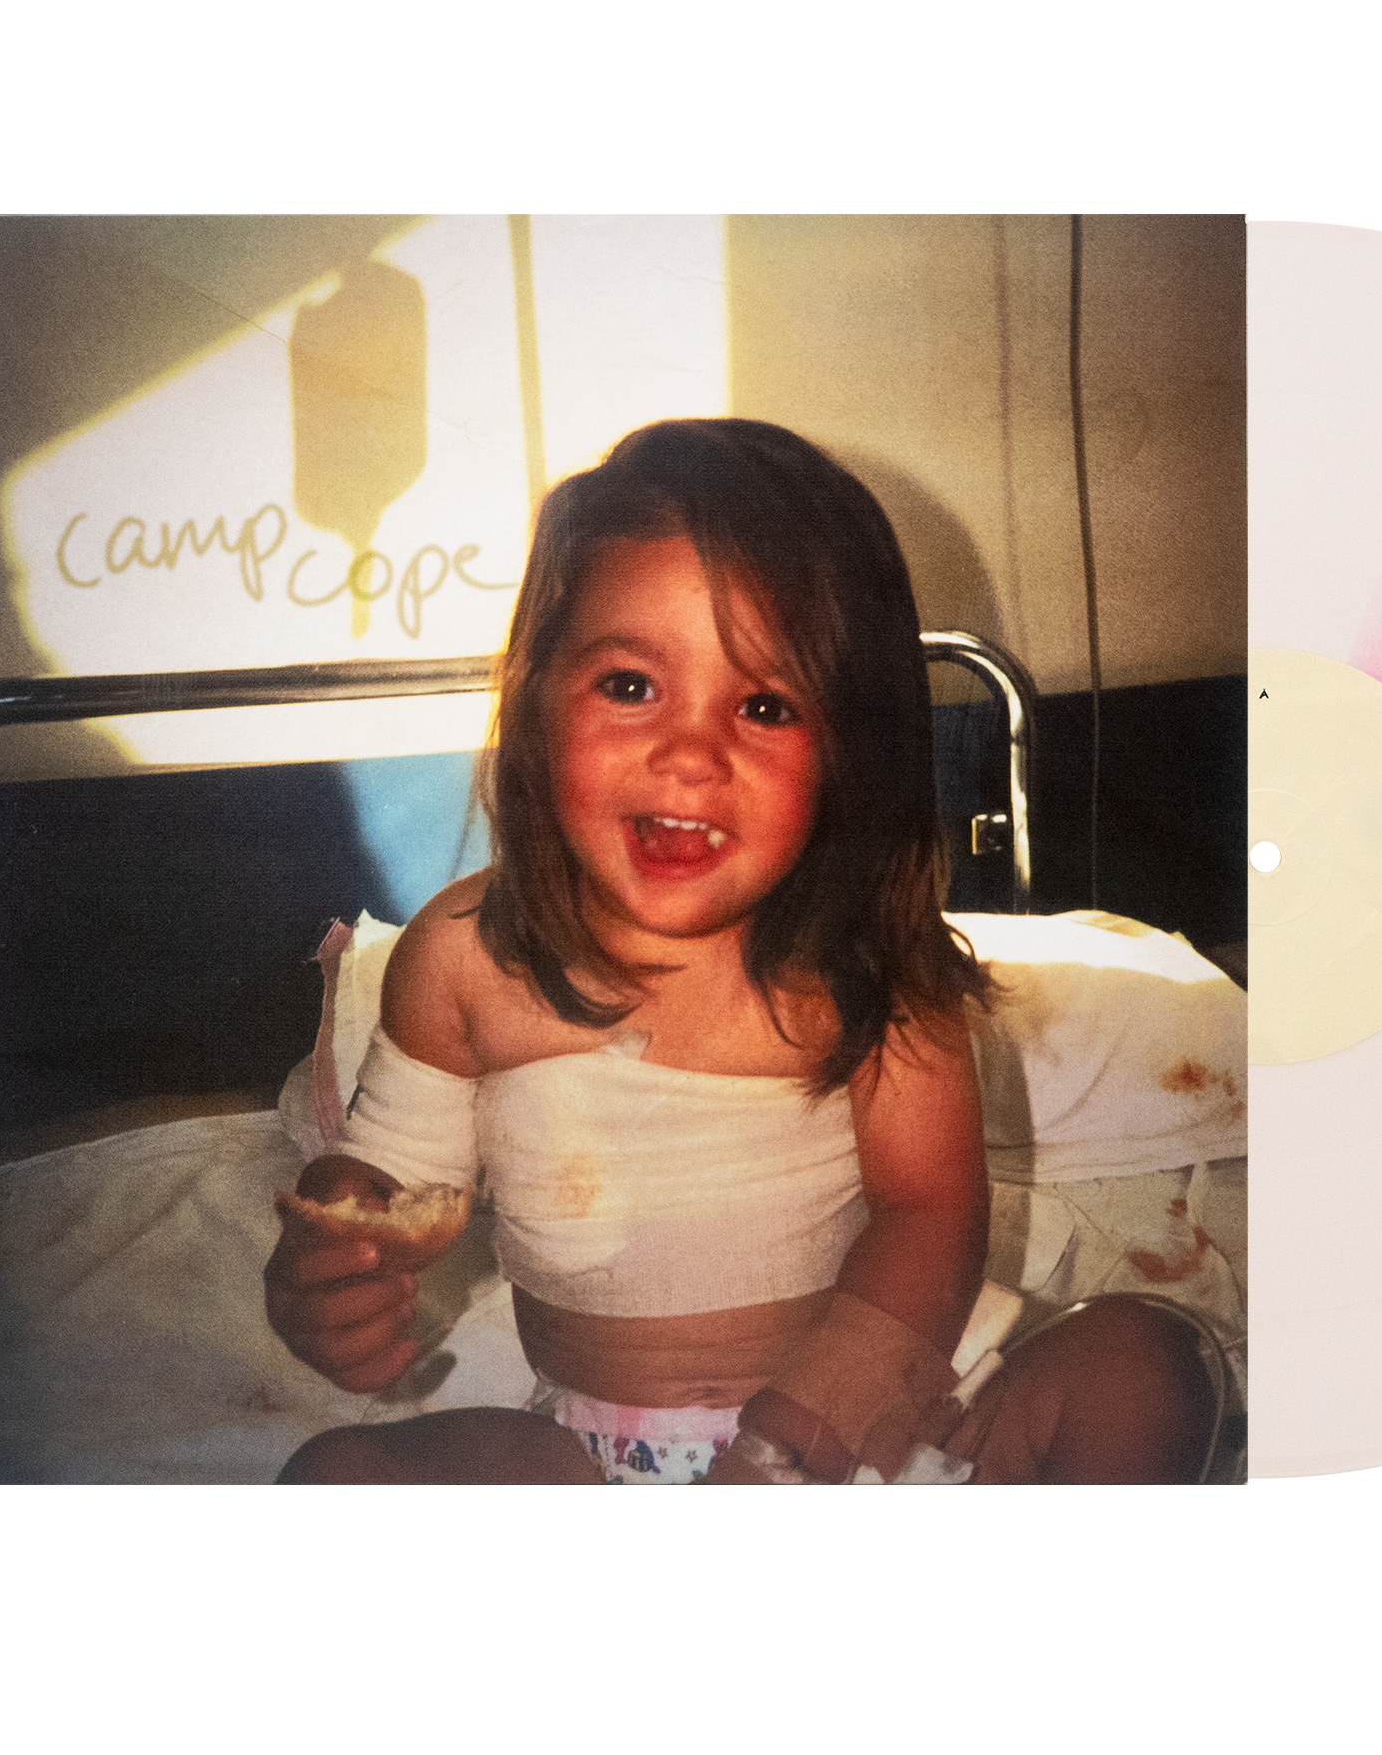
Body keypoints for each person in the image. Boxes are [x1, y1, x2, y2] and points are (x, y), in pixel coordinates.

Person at [267, 419, 1216, 1483]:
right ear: (536, 697)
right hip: (593, 1454)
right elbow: (388, 1177)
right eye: (630, 685)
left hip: (873, 1429)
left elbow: (930, 1213)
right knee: (338, 1474)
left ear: (849, 752)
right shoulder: (463, 956)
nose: (690, 753)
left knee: (1148, 1364)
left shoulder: (869, 970)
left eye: (764, 706)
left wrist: (801, 1438)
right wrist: (332, 1263)